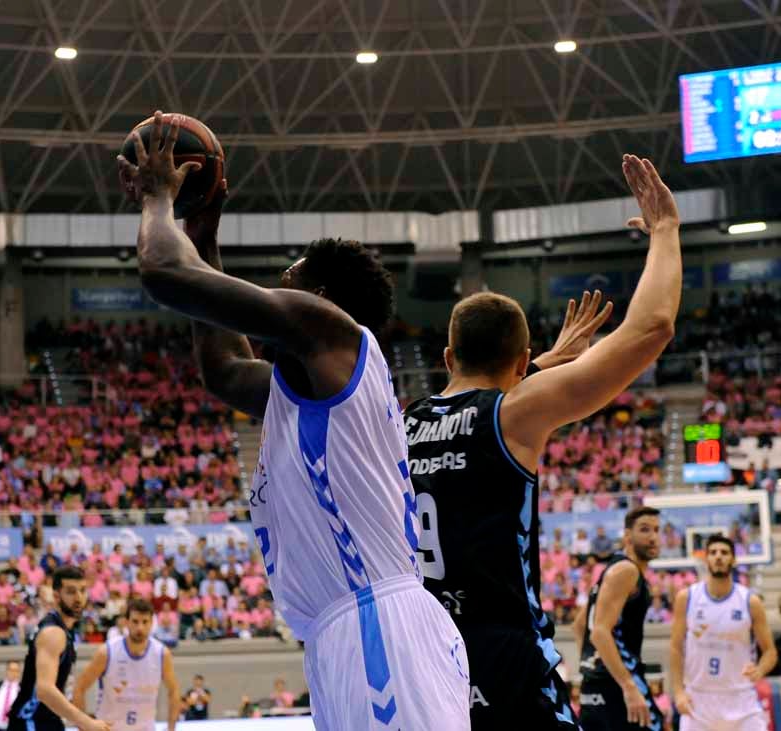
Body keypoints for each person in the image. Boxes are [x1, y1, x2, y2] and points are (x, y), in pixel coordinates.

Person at [118, 111, 469, 728]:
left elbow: (164, 273)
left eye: (292, 281)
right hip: (344, 631)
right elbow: (224, 367)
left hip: (376, 624)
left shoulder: (336, 334)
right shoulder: (313, 388)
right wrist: (203, 230)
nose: (278, 288)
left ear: (321, 301)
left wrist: (158, 201)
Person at [405, 153, 681, 729]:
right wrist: (665, 232)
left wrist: (548, 364)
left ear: (448, 357)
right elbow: (651, 326)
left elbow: (472, 410)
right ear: (523, 362)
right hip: (504, 653)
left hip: (424, 654)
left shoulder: (402, 423)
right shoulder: (514, 415)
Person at [669, 535, 777, 731]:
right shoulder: (687, 598)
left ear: (733, 560)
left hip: (741, 699)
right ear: (706, 559)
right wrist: (678, 692)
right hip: (698, 700)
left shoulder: (750, 601)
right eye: (713, 552)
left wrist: (759, 670)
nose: (718, 557)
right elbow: (676, 647)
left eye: (724, 553)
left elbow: (770, 652)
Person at [573, 507, 664, 731]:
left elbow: (579, 626)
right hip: (617, 685)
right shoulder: (626, 571)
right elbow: (599, 631)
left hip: (594, 686)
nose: (653, 537)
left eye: (656, 530)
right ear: (627, 536)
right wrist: (629, 686)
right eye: (644, 530)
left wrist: (592, 666)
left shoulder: (612, 569)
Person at [7, 566, 109, 731]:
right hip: (31, 721)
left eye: (82, 591)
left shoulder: (64, 629)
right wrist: (86, 722)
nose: (78, 598)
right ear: (56, 596)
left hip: (47, 720)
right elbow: (45, 690)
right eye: (71, 592)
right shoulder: (53, 633)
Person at [73, 599, 180, 731]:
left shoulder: (162, 654)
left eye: (145, 622)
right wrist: (84, 726)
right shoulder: (107, 652)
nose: (140, 627)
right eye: (135, 621)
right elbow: (79, 688)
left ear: (152, 623)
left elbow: (174, 691)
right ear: (126, 622)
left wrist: (171, 728)